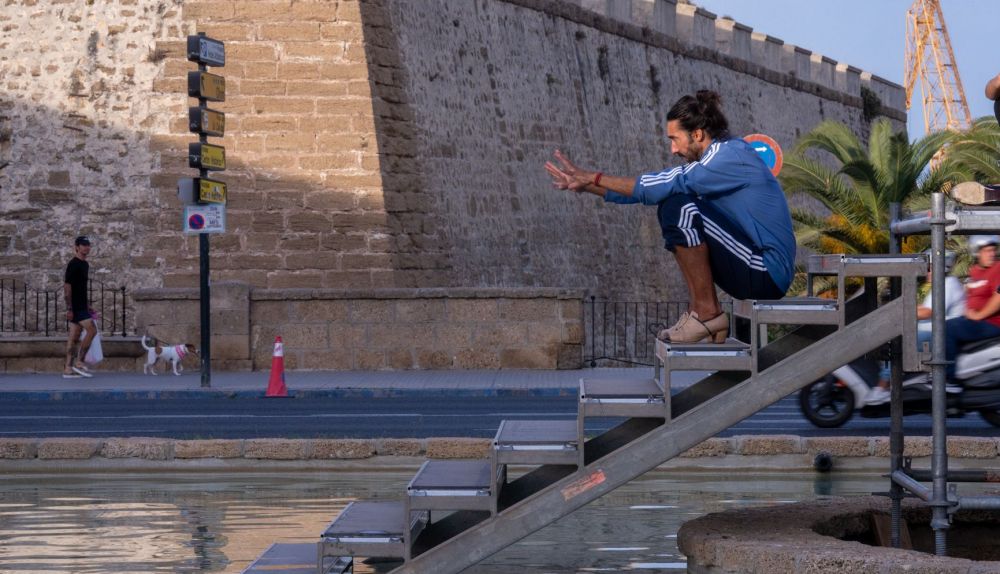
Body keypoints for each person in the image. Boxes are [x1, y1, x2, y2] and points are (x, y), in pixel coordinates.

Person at [544, 90, 795, 343]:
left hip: (766, 271)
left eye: (675, 139)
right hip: (750, 264)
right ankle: (699, 312)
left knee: (679, 207)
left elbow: (659, 185)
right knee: (673, 202)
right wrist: (584, 184)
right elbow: (645, 192)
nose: (673, 149)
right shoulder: (713, 159)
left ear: (697, 134)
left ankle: (707, 313)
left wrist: (593, 177)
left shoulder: (729, 156)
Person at [866, 250, 965, 405]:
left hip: (941, 333)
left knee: (898, 343)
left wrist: (900, 313)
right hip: (936, 330)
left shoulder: (948, 284)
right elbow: (923, 308)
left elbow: (929, 311)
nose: (926, 272)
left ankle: (882, 388)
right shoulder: (942, 283)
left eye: (928, 267)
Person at [943, 235, 1000, 381]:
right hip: (975, 321)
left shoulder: (997, 268)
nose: (992, 254)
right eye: (987, 251)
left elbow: (998, 297)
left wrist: (979, 315)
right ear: (977, 253)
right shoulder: (975, 271)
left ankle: (948, 380)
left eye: (993, 250)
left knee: (947, 328)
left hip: (991, 322)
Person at [63, 235, 96, 379]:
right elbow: (67, 287)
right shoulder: (73, 264)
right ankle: (79, 362)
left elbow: (81, 288)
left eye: (88, 245)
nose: (86, 247)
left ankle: (68, 368)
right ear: (77, 246)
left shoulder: (85, 264)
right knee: (92, 330)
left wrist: (88, 305)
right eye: (83, 245)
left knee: (74, 337)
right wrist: (70, 308)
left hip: (82, 306)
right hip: (76, 307)